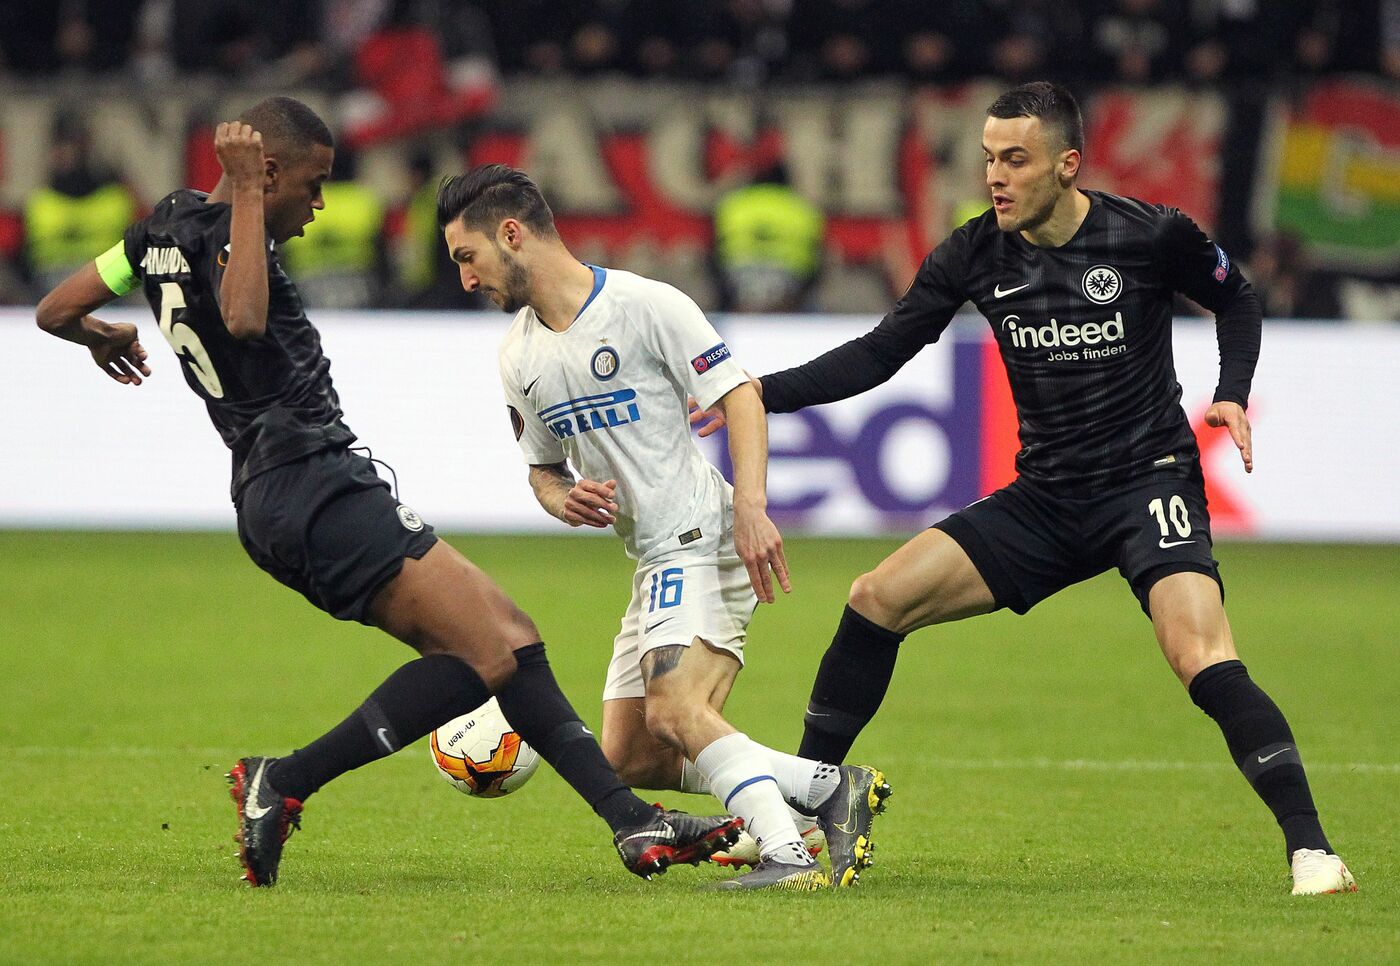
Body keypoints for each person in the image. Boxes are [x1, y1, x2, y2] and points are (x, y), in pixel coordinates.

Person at [34, 96, 740, 888]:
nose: (320, 204)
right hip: (311, 481)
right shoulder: (241, 233)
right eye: (313, 183)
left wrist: (98, 333)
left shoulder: (158, 229)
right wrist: (249, 201)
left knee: (510, 641)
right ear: (267, 172)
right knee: (487, 651)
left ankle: (633, 822)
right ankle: (285, 779)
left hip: (278, 492)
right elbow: (243, 318)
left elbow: (56, 310)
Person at [693, 82, 1356, 897]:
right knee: (875, 598)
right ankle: (804, 810)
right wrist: (757, 392)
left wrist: (1232, 391)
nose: (995, 177)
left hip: (1146, 484)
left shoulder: (1148, 234)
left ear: (1067, 164)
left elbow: (1237, 297)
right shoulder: (975, 252)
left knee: (1201, 656)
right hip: (1046, 498)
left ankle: (1314, 853)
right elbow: (882, 351)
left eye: (1015, 160)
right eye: (988, 159)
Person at [437, 163, 890, 890]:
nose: (465, 279)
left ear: (512, 234)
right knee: (630, 754)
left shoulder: (646, 305)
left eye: (468, 256)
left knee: (676, 709)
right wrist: (562, 499)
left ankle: (788, 852)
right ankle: (828, 788)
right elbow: (542, 470)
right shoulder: (518, 355)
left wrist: (752, 507)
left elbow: (740, 396)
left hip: (701, 536)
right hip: (652, 558)